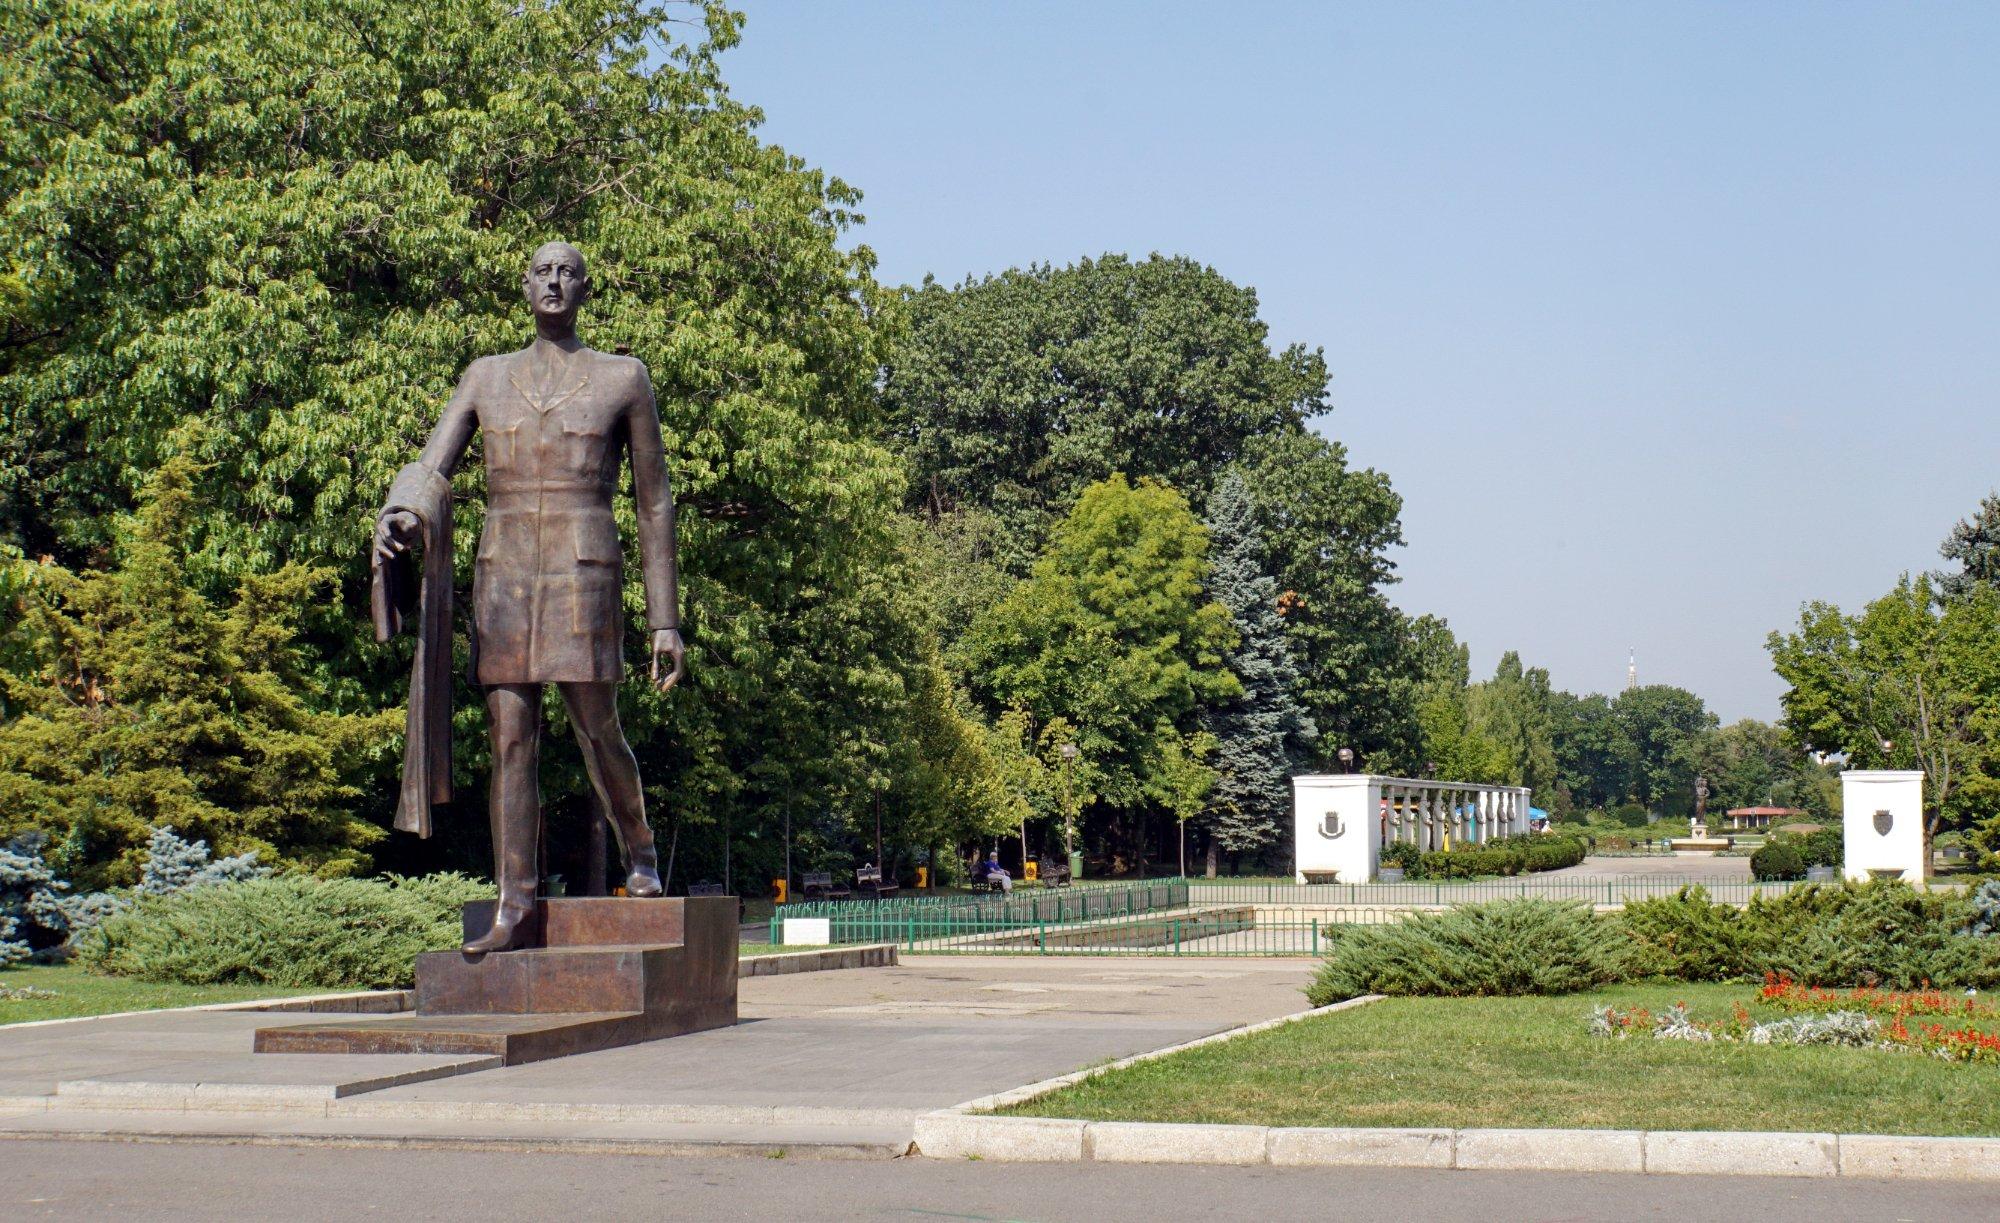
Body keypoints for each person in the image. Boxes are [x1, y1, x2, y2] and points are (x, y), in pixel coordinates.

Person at [374, 242, 686, 954]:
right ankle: (514, 901)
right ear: (524, 287)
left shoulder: (623, 379)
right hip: (505, 576)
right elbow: (433, 464)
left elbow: (655, 503)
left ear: (584, 287)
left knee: (597, 729)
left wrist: (664, 619)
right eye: (542, 271)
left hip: (585, 577)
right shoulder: (487, 378)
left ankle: (639, 852)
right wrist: (402, 512)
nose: (553, 281)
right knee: (511, 738)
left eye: (567, 272)